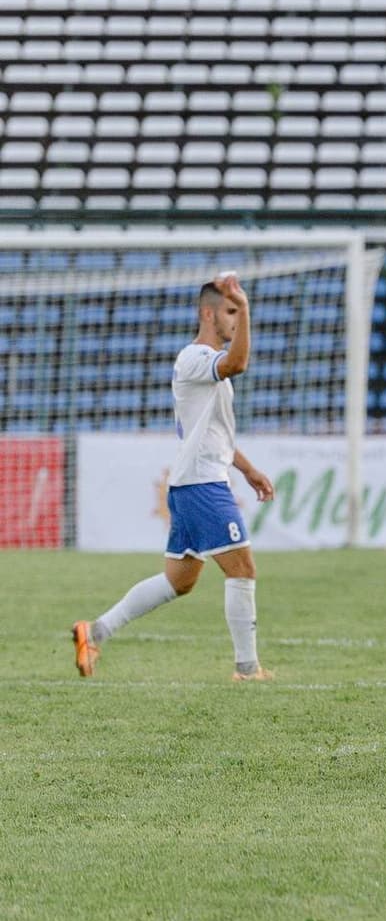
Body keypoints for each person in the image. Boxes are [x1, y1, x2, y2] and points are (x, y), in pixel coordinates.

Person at [72, 272, 277, 682]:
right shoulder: (195, 359)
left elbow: (212, 433)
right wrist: (249, 308)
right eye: (231, 311)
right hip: (201, 486)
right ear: (208, 314)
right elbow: (238, 362)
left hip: (195, 481)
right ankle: (247, 669)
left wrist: (249, 469)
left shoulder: (205, 366)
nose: (236, 319)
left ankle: (94, 631)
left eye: (239, 312)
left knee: (179, 581)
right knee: (243, 569)